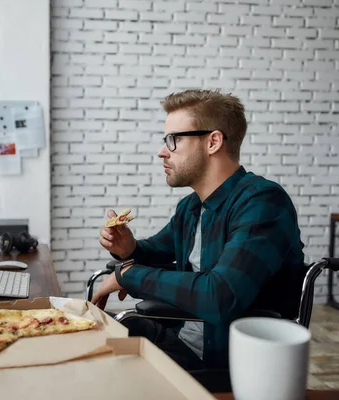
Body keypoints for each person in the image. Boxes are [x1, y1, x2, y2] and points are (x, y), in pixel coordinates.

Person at [92, 89, 306, 370]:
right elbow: (156, 250)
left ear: (213, 142)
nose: (162, 151)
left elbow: (221, 295)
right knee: (93, 348)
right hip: (179, 339)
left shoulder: (262, 202)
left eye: (174, 140)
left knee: (105, 367)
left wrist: (129, 276)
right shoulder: (191, 207)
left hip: (225, 362)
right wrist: (129, 249)